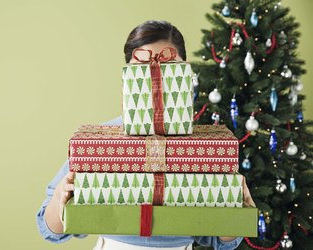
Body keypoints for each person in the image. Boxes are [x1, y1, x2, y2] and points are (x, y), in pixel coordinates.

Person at [36, 20, 255, 250]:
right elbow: (48, 227)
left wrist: (236, 213)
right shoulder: (98, 145)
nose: (155, 75)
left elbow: (221, 241)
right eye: (143, 65)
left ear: (186, 73)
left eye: (167, 65)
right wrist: (62, 196)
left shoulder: (203, 149)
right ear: (127, 77)